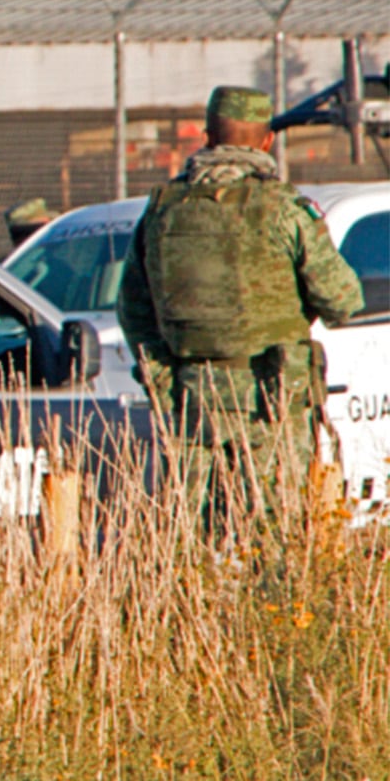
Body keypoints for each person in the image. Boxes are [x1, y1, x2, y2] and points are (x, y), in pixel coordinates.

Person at [118, 85, 362, 537]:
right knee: (278, 544)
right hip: (272, 407)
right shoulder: (285, 211)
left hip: (193, 401)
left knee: (185, 546)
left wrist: (166, 373)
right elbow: (343, 302)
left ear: (208, 136)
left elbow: (133, 310)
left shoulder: (162, 211)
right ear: (267, 141)